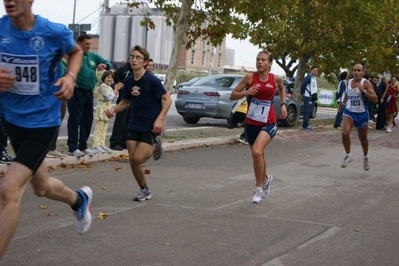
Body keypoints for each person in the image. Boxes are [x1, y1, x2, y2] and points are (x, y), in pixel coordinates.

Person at [0, 0, 93, 260]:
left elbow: (75, 52)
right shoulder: (0, 31)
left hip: (43, 123)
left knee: (9, 189)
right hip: (13, 121)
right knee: (41, 188)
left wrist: (70, 77)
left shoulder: (51, 31)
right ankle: (78, 200)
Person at [106, 45, 172, 201]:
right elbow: (125, 102)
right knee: (132, 159)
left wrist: (160, 119)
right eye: (132, 57)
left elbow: (168, 100)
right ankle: (144, 190)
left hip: (150, 125)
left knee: (138, 159)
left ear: (145, 62)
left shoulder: (152, 81)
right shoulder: (128, 81)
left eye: (138, 58)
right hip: (134, 123)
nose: (134, 60)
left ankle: (156, 144)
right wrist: (113, 110)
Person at [229, 51, 287, 203]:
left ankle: (258, 189)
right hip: (251, 123)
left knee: (256, 151)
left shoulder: (276, 78)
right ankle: (266, 179)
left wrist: (283, 104)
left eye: (263, 60)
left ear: (270, 64)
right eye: (257, 60)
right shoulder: (250, 77)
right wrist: (246, 92)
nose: (259, 62)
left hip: (269, 122)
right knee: (258, 156)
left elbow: (281, 88)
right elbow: (232, 95)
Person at [67, 34, 112, 157]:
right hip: (77, 91)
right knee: (75, 119)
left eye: (89, 44)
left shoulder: (92, 56)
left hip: (89, 92)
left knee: (87, 119)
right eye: (86, 44)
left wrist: (105, 66)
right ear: (79, 42)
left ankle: (83, 146)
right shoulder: (74, 55)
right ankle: (72, 147)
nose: (88, 46)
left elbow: (108, 63)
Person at [338, 64, 378, 171]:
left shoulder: (366, 83)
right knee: (345, 133)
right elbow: (347, 94)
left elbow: (375, 99)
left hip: (361, 113)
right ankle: (348, 155)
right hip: (349, 111)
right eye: (354, 70)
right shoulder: (349, 82)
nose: (356, 72)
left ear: (363, 72)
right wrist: (343, 103)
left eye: (358, 70)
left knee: (363, 139)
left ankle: (365, 157)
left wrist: (363, 91)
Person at [92, 70, 121, 153]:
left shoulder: (109, 87)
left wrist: (115, 92)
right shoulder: (103, 86)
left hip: (107, 110)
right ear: (104, 78)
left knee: (104, 128)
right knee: (99, 128)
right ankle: (96, 145)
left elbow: (114, 98)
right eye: (108, 77)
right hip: (101, 109)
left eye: (111, 77)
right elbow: (109, 97)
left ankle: (102, 143)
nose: (110, 79)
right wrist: (115, 90)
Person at [46, 57, 68, 158]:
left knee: (58, 120)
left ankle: (53, 147)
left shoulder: (63, 63)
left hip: (60, 95)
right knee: (53, 121)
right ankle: (49, 148)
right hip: (54, 95)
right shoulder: (55, 63)